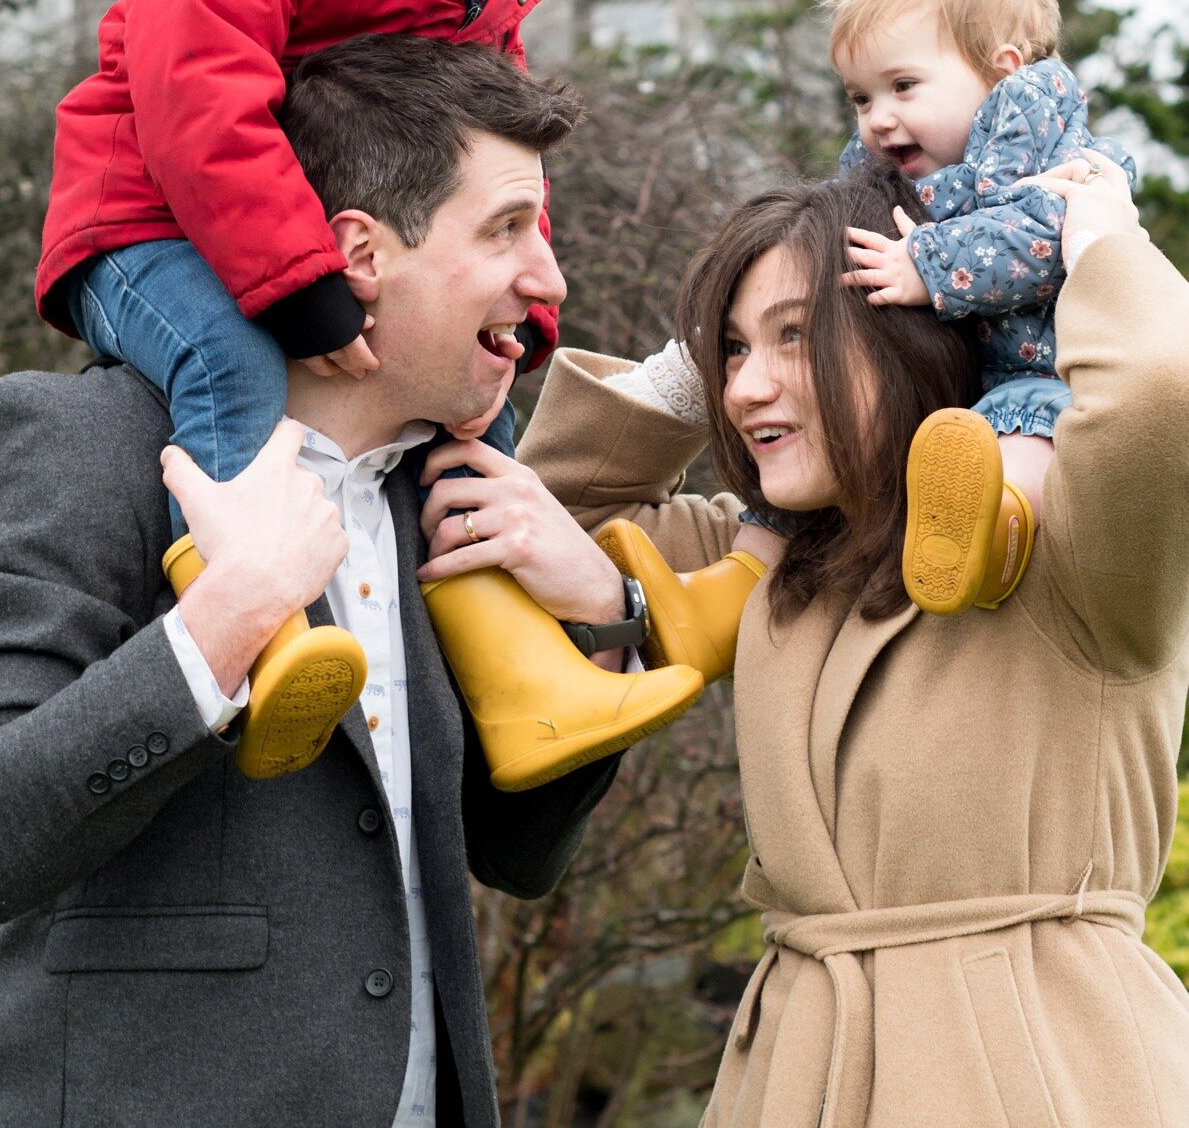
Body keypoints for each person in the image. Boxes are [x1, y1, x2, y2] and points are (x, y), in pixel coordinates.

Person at [0, 38, 698, 1127]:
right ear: (358, 254)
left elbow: (516, 856)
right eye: (507, 230)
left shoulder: (448, 490)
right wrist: (223, 624)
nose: (548, 279)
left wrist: (598, 622)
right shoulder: (74, 442)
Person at [472, 154, 1188, 1126]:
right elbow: (539, 512)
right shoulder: (765, 562)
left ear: (912, 331)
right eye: (731, 353)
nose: (744, 390)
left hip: (1045, 1075)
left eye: (797, 336)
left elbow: (1160, 392)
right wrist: (704, 352)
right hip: (789, 1077)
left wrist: (1097, 240)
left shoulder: (1062, 537)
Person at [35, 0, 570, 777]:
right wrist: (306, 298)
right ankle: (256, 627)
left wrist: (513, 303)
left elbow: (499, 152)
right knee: (233, 365)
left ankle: (526, 673)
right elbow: (199, 106)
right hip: (141, 223)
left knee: (477, 421)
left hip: (290, 237)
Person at [832, 0, 1136, 614]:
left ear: (1000, 75)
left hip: (1053, 381)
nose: (878, 118)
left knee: (1024, 426)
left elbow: (1030, 241)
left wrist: (925, 262)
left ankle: (991, 536)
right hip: (956, 397)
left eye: (902, 86)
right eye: (859, 98)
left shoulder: (1064, 167)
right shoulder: (906, 172)